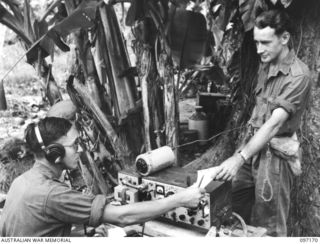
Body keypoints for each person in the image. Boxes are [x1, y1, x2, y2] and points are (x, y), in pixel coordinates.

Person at [0, 117, 205, 237]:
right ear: (54, 153)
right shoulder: (51, 194)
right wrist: (179, 199)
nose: (80, 150)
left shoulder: (22, 182)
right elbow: (124, 217)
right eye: (73, 145)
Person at [206, 9, 311, 236]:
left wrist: (238, 158)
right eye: (256, 42)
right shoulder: (266, 63)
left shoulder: (299, 75)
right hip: (251, 147)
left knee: (269, 226)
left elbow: (273, 125)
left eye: (265, 42)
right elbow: (258, 110)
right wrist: (242, 152)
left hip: (274, 158)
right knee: (226, 200)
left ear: (284, 38)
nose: (259, 49)